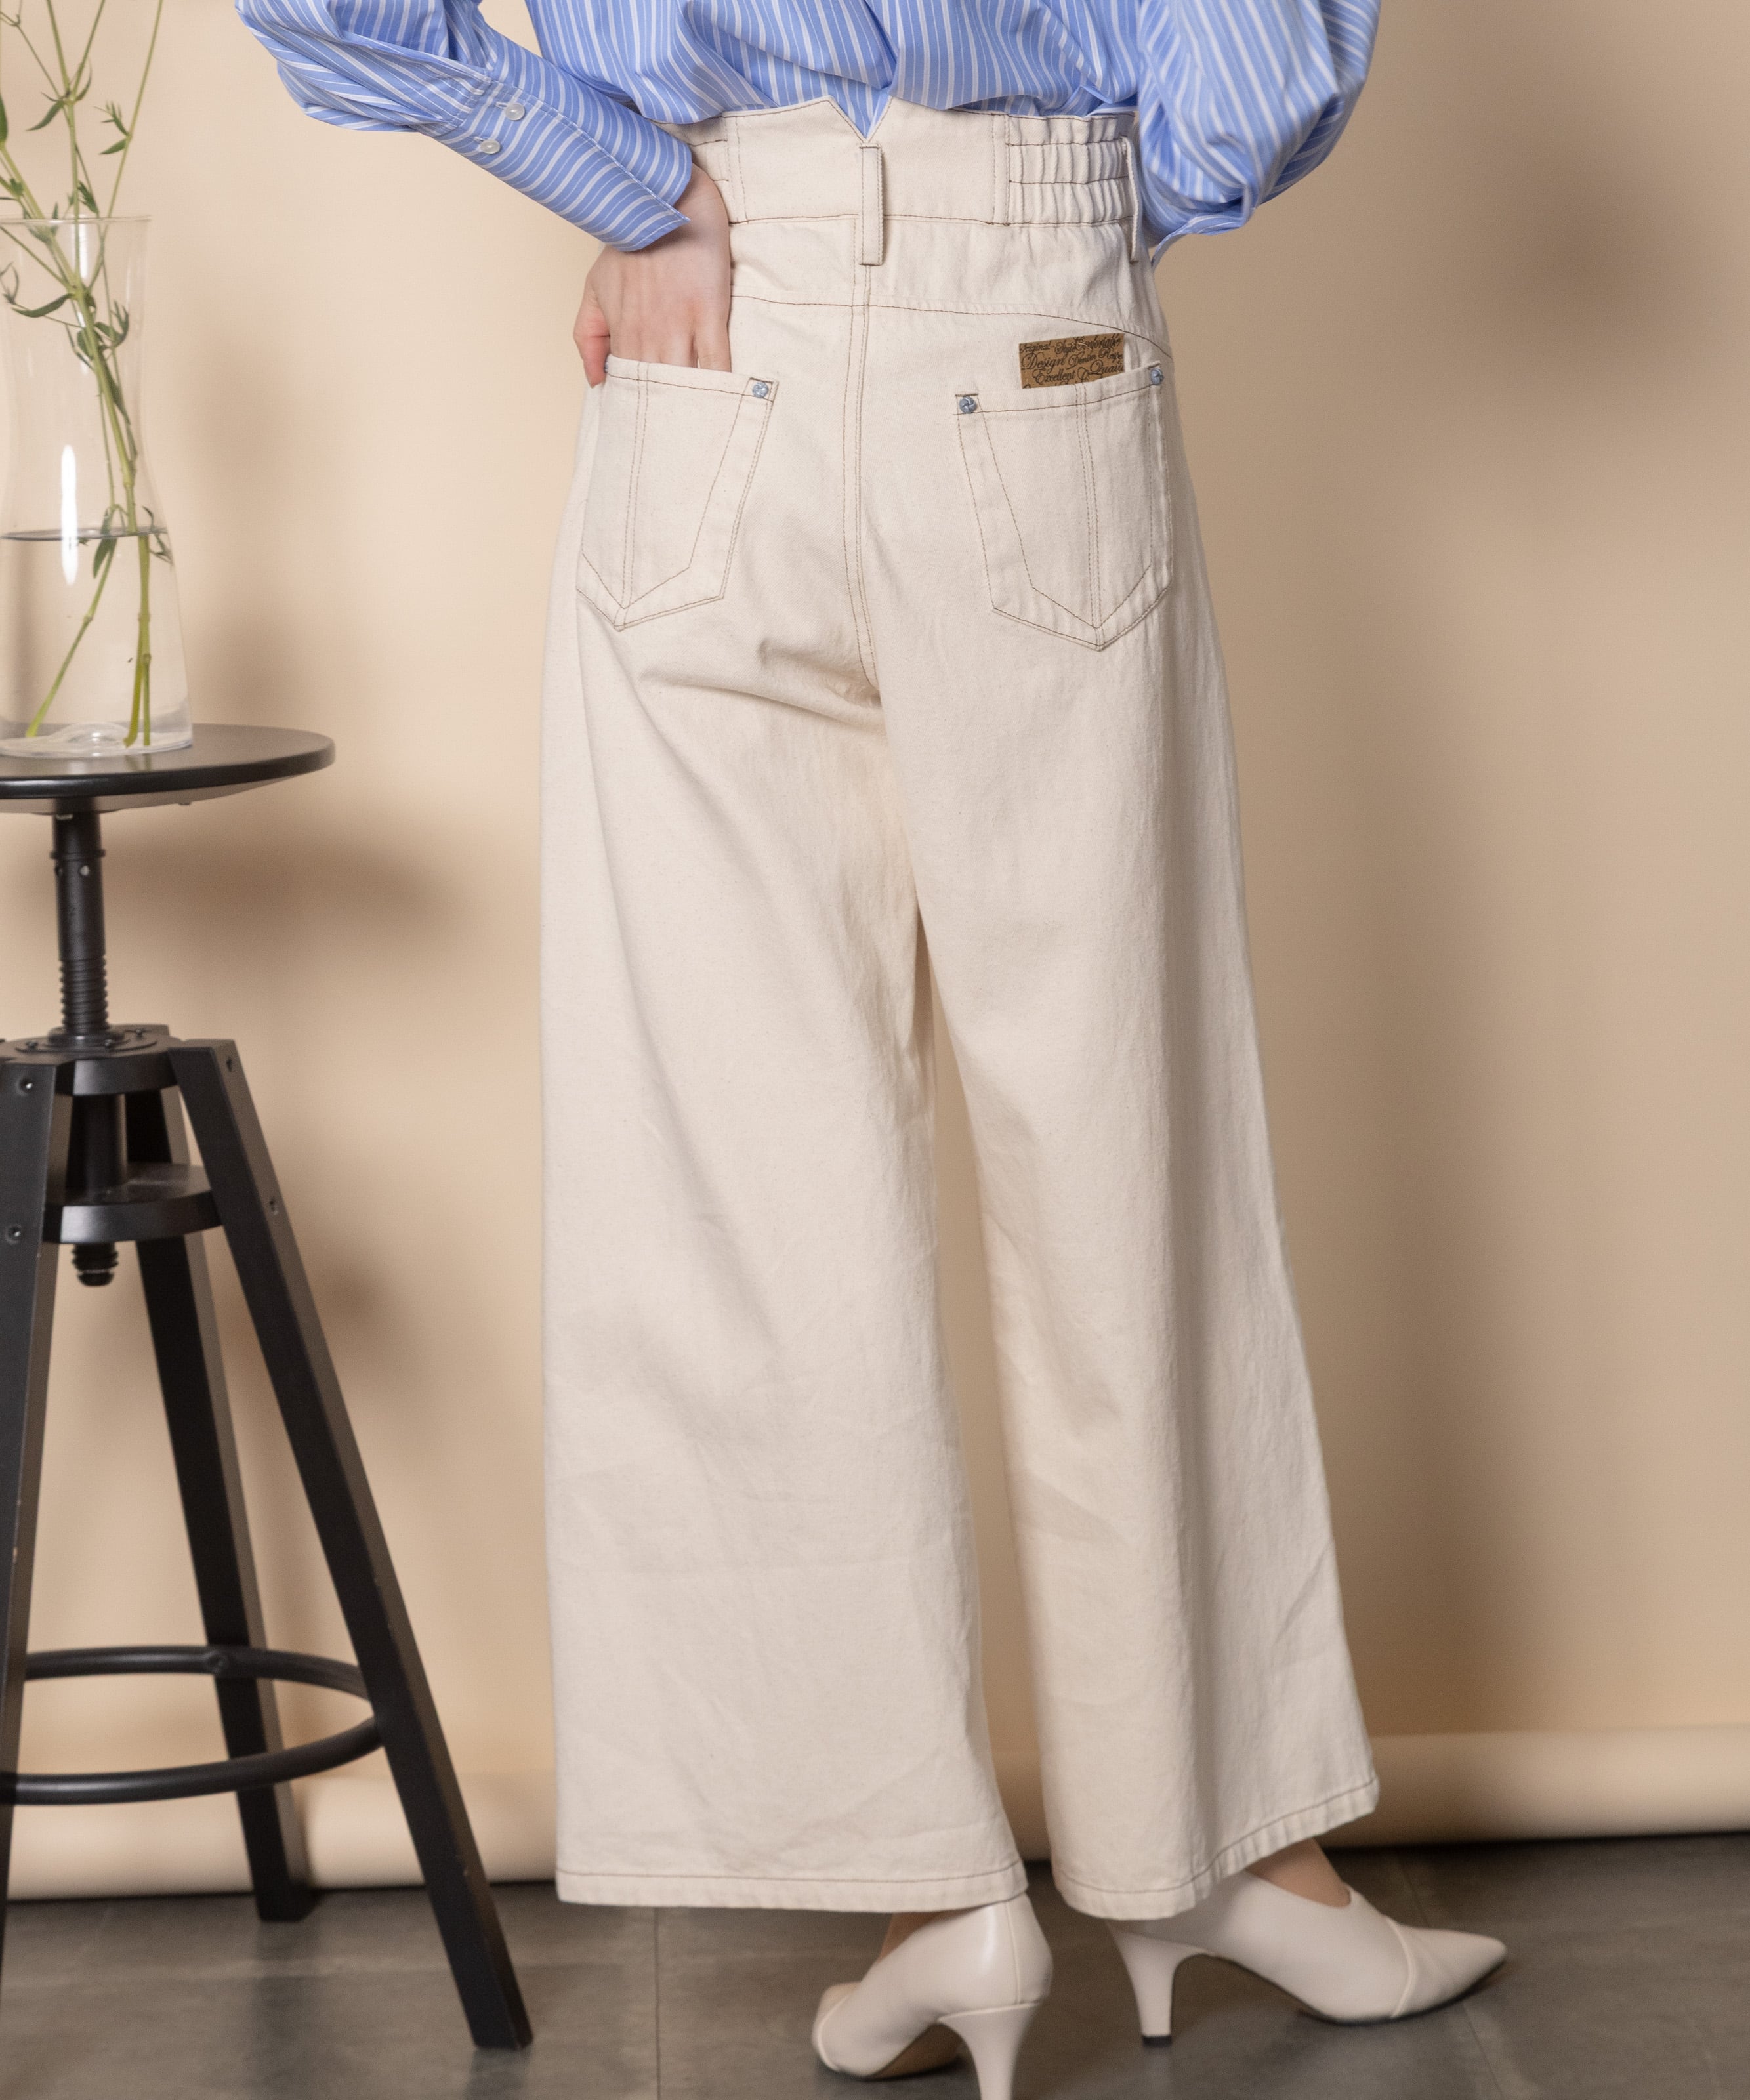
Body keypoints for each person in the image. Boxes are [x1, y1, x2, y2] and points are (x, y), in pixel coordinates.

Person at [236, 5, 1507, 2092]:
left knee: (744, 1172)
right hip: (1035, 323)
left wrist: (639, 184)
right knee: (1119, 1132)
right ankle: (1218, 1856)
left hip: (705, 329)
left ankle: (933, 1900)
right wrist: (1038, 216)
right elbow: (1266, 59)